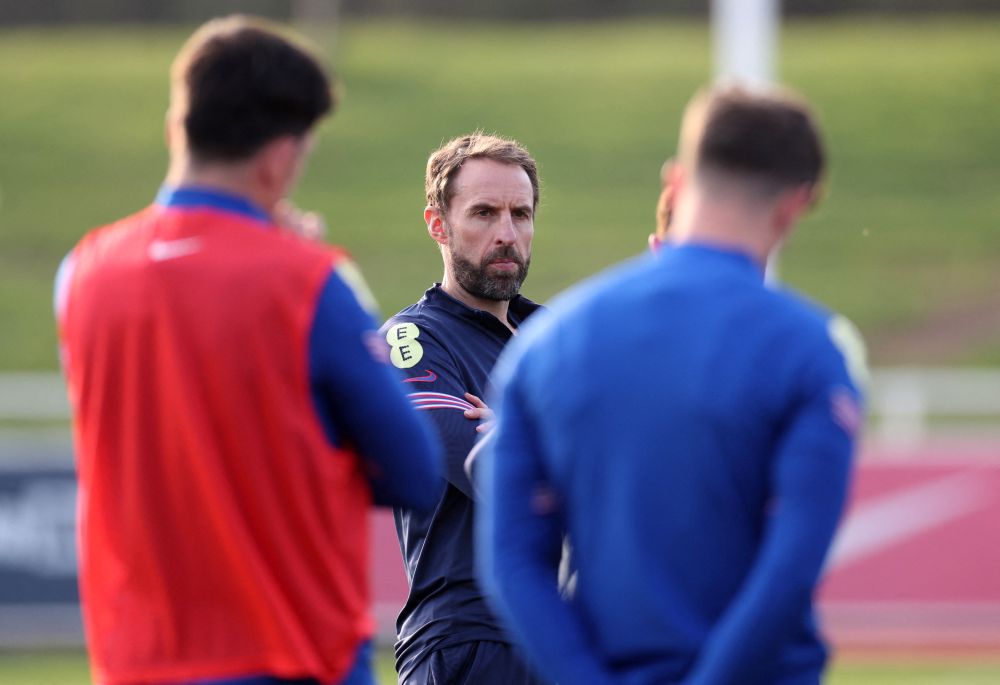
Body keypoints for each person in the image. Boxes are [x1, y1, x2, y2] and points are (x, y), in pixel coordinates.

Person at [54, 15, 441, 685]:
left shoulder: (81, 273)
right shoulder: (309, 283)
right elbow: (414, 472)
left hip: (136, 662)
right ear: (282, 154)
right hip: (290, 658)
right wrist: (316, 267)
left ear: (179, 128)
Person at [477, 85, 869, 685]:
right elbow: (791, 565)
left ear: (676, 181)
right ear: (796, 203)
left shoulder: (549, 345)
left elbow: (509, 559)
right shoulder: (811, 349)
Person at [381, 133, 545, 685]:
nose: (506, 234)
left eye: (520, 214)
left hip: (567, 640)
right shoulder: (414, 340)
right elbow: (492, 475)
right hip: (467, 643)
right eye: (483, 212)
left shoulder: (557, 339)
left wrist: (517, 433)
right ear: (438, 224)